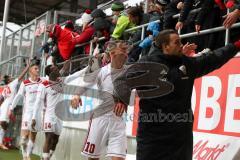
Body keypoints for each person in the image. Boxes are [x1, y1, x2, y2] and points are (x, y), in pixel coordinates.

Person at [129, 29, 240, 160]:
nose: (181, 45)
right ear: (166, 46)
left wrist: (236, 45)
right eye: (177, 42)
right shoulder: (147, 65)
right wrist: (119, 99)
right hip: (152, 138)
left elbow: (213, 58)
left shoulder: (187, 64)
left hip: (180, 138)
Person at [71, 40, 131, 160]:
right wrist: (76, 96)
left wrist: (122, 102)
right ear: (113, 53)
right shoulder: (101, 71)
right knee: (93, 158)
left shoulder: (130, 71)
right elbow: (84, 85)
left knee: (119, 158)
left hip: (118, 121)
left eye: (127, 50)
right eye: (123, 50)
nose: (127, 53)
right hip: (100, 119)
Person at [8, 58, 44, 160]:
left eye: (38, 68)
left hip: (37, 114)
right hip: (27, 114)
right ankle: (24, 154)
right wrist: (11, 108)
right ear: (31, 70)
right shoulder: (25, 83)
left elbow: (53, 78)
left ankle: (27, 156)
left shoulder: (42, 81)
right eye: (36, 68)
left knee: (33, 136)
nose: (38, 70)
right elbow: (18, 96)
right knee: (24, 138)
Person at [0, 62, 30, 150]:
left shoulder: (6, 86)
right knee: (3, 124)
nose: (11, 77)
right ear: (9, 80)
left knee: (4, 124)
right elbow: (21, 76)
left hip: (4, 105)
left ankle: (1, 142)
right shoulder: (12, 84)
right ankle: (1, 142)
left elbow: (1, 98)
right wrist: (27, 67)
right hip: (7, 105)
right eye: (10, 77)